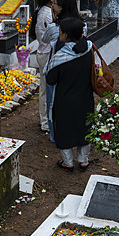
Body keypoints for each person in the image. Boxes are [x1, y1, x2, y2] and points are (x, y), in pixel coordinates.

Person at [45, 17, 94, 172]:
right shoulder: (89, 49)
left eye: (60, 31)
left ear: (65, 35)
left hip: (64, 100)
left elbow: (50, 79)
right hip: (85, 97)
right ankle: (83, 160)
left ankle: (68, 162)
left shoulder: (60, 56)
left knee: (65, 129)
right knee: (84, 126)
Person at [41, 0, 82, 143]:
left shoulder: (54, 28)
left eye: (55, 3)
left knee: (53, 104)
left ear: (62, 7)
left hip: (56, 70)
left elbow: (44, 39)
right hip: (77, 70)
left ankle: (55, 133)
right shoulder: (82, 26)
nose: (53, 5)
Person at [30, 0, 57, 133]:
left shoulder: (40, 11)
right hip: (47, 54)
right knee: (47, 91)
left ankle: (44, 120)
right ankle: (46, 122)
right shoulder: (47, 14)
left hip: (42, 52)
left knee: (44, 90)